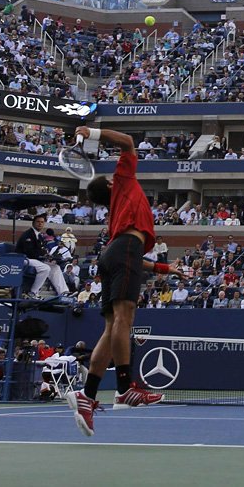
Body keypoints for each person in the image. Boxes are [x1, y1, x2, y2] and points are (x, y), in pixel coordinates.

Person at [66, 126, 186, 437]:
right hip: (124, 251)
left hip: (114, 254)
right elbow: (128, 142)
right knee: (124, 319)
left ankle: (87, 395)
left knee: (112, 328)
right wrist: (92, 132)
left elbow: (130, 256)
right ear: (111, 183)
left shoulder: (117, 214)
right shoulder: (123, 180)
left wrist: (164, 269)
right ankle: (124, 388)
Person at [15, 214, 69, 299]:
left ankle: (63, 293)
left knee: (55, 267)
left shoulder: (40, 236)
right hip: (23, 259)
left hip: (34, 260)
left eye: (42, 222)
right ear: (33, 223)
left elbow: (41, 250)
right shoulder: (28, 234)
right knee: (45, 268)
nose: (40, 224)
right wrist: (42, 256)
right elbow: (29, 251)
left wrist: (48, 256)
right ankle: (33, 292)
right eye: (38, 222)